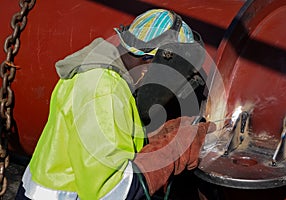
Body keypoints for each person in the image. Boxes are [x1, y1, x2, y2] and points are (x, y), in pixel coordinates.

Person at [15, 9, 214, 200]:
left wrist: (154, 137)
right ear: (149, 61)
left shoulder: (101, 74)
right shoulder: (103, 91)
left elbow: (97, 142)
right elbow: (113, 192)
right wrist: (175, 148)